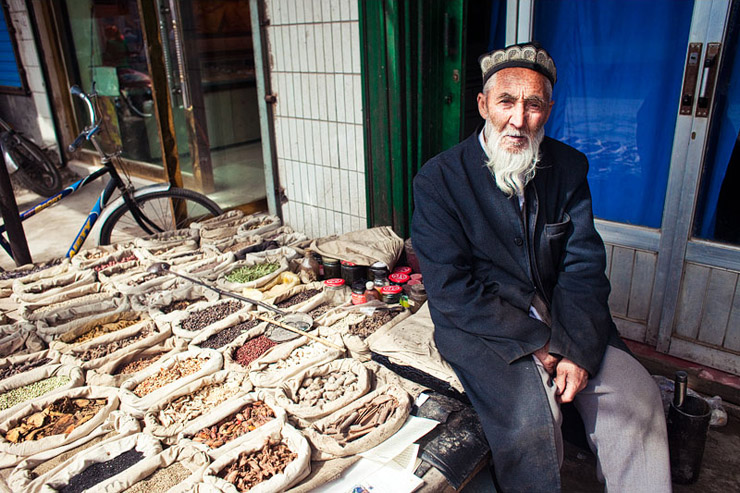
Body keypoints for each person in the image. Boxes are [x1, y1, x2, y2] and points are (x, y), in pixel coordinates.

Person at [411, 42, 672, 492]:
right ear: (483, 104)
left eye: (533, 105)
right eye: (506, 102)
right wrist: (541, 344)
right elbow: (451, 289)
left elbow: (583, 265)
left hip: (565, 314)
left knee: (638, 399)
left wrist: (575, 347)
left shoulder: (568, 167)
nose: (518, 119)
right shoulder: (439, 180)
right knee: (533, 423)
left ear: (549, 109)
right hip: (487, 326)